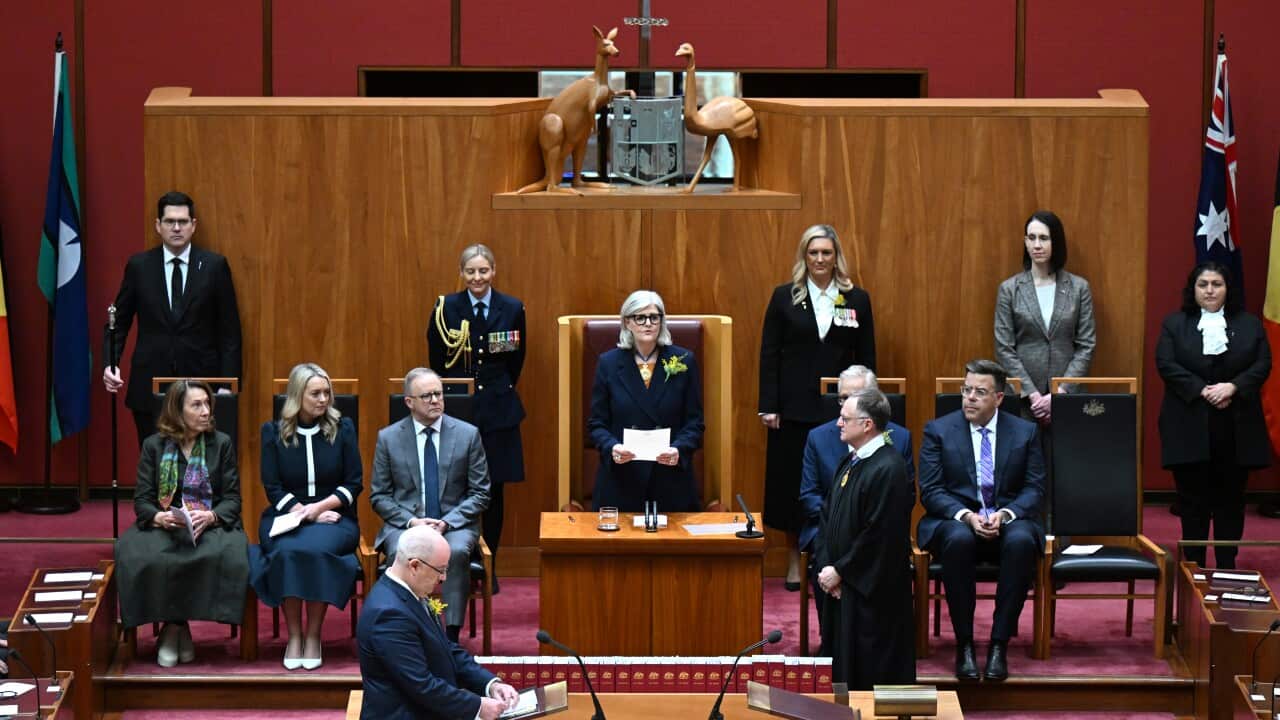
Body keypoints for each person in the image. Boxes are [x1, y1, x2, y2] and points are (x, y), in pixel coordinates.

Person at [759, 224, 876, 591]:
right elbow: (769, 355)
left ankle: (838, 556)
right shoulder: (785, 298)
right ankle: (797, 557)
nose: (820, 259)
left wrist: (868, 405)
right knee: (794, 485)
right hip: (793, 409)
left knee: (840, 482)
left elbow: (867, 355)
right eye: (813, 253)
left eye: (827, 252)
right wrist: (769, 405)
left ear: (836, 256)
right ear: (804, 257)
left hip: (843, 410)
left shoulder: (855, 299)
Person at [917, 359, 1045, 682]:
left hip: (1008, 519)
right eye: (966, 390)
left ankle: (999, 644)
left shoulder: (1025, 432)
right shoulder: (939, 431)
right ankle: (965, 645)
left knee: (1020, 540)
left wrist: (1004, 514)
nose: (970, 398)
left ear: (999, 398)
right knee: (958, 540)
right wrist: (968, 517)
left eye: (980, 392)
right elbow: (930, 492)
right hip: (955, 521)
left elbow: (1035, 488)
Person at [114, 379, 249, 667]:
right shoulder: (154, 445)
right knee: (143, 556)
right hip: (165, 524)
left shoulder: (220, 444)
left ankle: (172, 628)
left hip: (209, 526)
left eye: (207, 404)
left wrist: (211, 515)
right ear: (177, 410)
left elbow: (233, 500)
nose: (206, 411)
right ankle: (178, 627)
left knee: (224, 555)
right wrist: (158, 517)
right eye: (196, 405)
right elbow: (143, 501)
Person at [104, 191, 243, 447]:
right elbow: (119, 322)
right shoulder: (139, 266)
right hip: (150, 384)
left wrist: (227, 386)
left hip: (203, 387)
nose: (176, 228)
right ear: (158, 226)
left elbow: (230, 331)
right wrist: (110, 363)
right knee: (155, 466)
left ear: (193, 225)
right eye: (169, 221)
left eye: (182, 221)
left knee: (201, 469)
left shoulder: (214, 266)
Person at [1156, 261, 1271, 569]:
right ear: (1193, 289)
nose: (1209, 290)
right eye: (1203, 284)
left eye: (1216, 284)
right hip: (1189, 424)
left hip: (1236, 428)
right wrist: (1204, 390)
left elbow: (1262, 364)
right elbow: (1166, 364)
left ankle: (1226, 565)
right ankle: (1194, 567)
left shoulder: (1249, 324)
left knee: (1231, 503)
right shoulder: (1174, 324)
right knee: (1192, 503)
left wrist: (1232, 387)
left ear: (1227, 288)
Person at [427, 244, 526, 594]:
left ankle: (490, 564)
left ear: (493, 271)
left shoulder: (512, 308)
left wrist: (496, 390)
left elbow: (515, 360)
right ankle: (458, 565)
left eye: (483, 271)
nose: (477, 278)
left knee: (494, 491)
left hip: (498, 412)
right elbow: (437, 361)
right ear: (462, 272)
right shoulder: (446, 309)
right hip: (459, 411)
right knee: (457, 490)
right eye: (471, 271)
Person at [250, 363, 362, 670]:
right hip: (287, 515)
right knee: (287, 551)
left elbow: (354, 483)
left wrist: (320, 509)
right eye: (316, 393)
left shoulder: (343, 429)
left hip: (335, 518)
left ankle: (314, 635)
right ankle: (294, 636)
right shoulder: (273, 433)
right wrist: (305, 514)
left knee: (315, 551)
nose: (324, 399)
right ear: (297, 395)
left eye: (327, 392)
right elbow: (272, 486)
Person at [371, 367, 491, 643]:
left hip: (453, 522)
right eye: (427, 396)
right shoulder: (388, 438)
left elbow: (481, 493)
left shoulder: (467, 434)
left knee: (457, 551)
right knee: (401, 550)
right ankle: (402, 629)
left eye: (439, 393)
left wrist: (446, 522)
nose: (436, 400)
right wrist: (413, 522)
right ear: (409, 402)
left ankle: (449, 635)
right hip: (407, 522)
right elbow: (379, 496)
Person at [357, 525, 519, 720]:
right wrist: (478, 707)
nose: (443, 578)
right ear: (414, 565)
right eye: (440, 570)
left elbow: (445, 648)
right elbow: (421, 685)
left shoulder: (410, 593)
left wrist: (490, 684)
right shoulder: (389, 615)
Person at [799, 365, 913, 634]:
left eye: (855, 397)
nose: (842, 412)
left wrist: (841, 568)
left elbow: (899, 505)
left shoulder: (895, 449)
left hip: (872, 543)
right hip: (826, 535)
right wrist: (831, 561)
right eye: (842, 398)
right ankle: (832, 642)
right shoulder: (820, 439)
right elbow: (812, 499)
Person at [815, 388, 915, 689]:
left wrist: (842, 572)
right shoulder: (851, 462)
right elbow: (826, 517)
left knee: (868, 673)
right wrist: (827, 567)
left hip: (869, 593)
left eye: (845, 418)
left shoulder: (889, 468)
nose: (838, 424)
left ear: (868, 424)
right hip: (841, 586)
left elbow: (880, 536)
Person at [587, 290, 705, 512]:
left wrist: (678, 450)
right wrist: (613, 447)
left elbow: (695, 423)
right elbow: (597, 424)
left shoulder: (683, 361)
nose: (648, 323)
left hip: (670, 478)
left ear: (662, 321)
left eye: (654, 317)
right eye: (640, 317)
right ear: (627, 323)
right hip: (622, 479)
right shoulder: (608, 363)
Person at [994, 210, 1096, 425]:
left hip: (1067, 397)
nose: (1037, 245)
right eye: (1031, 238)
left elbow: (1086, 345)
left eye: (1043, 238)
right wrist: (1033, 395)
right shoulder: (1010, 289)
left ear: (1055, 241)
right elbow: (1004, 348)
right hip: (1023, 400)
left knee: (1067, 457)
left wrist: (1060, 392)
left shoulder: (1078, 288)